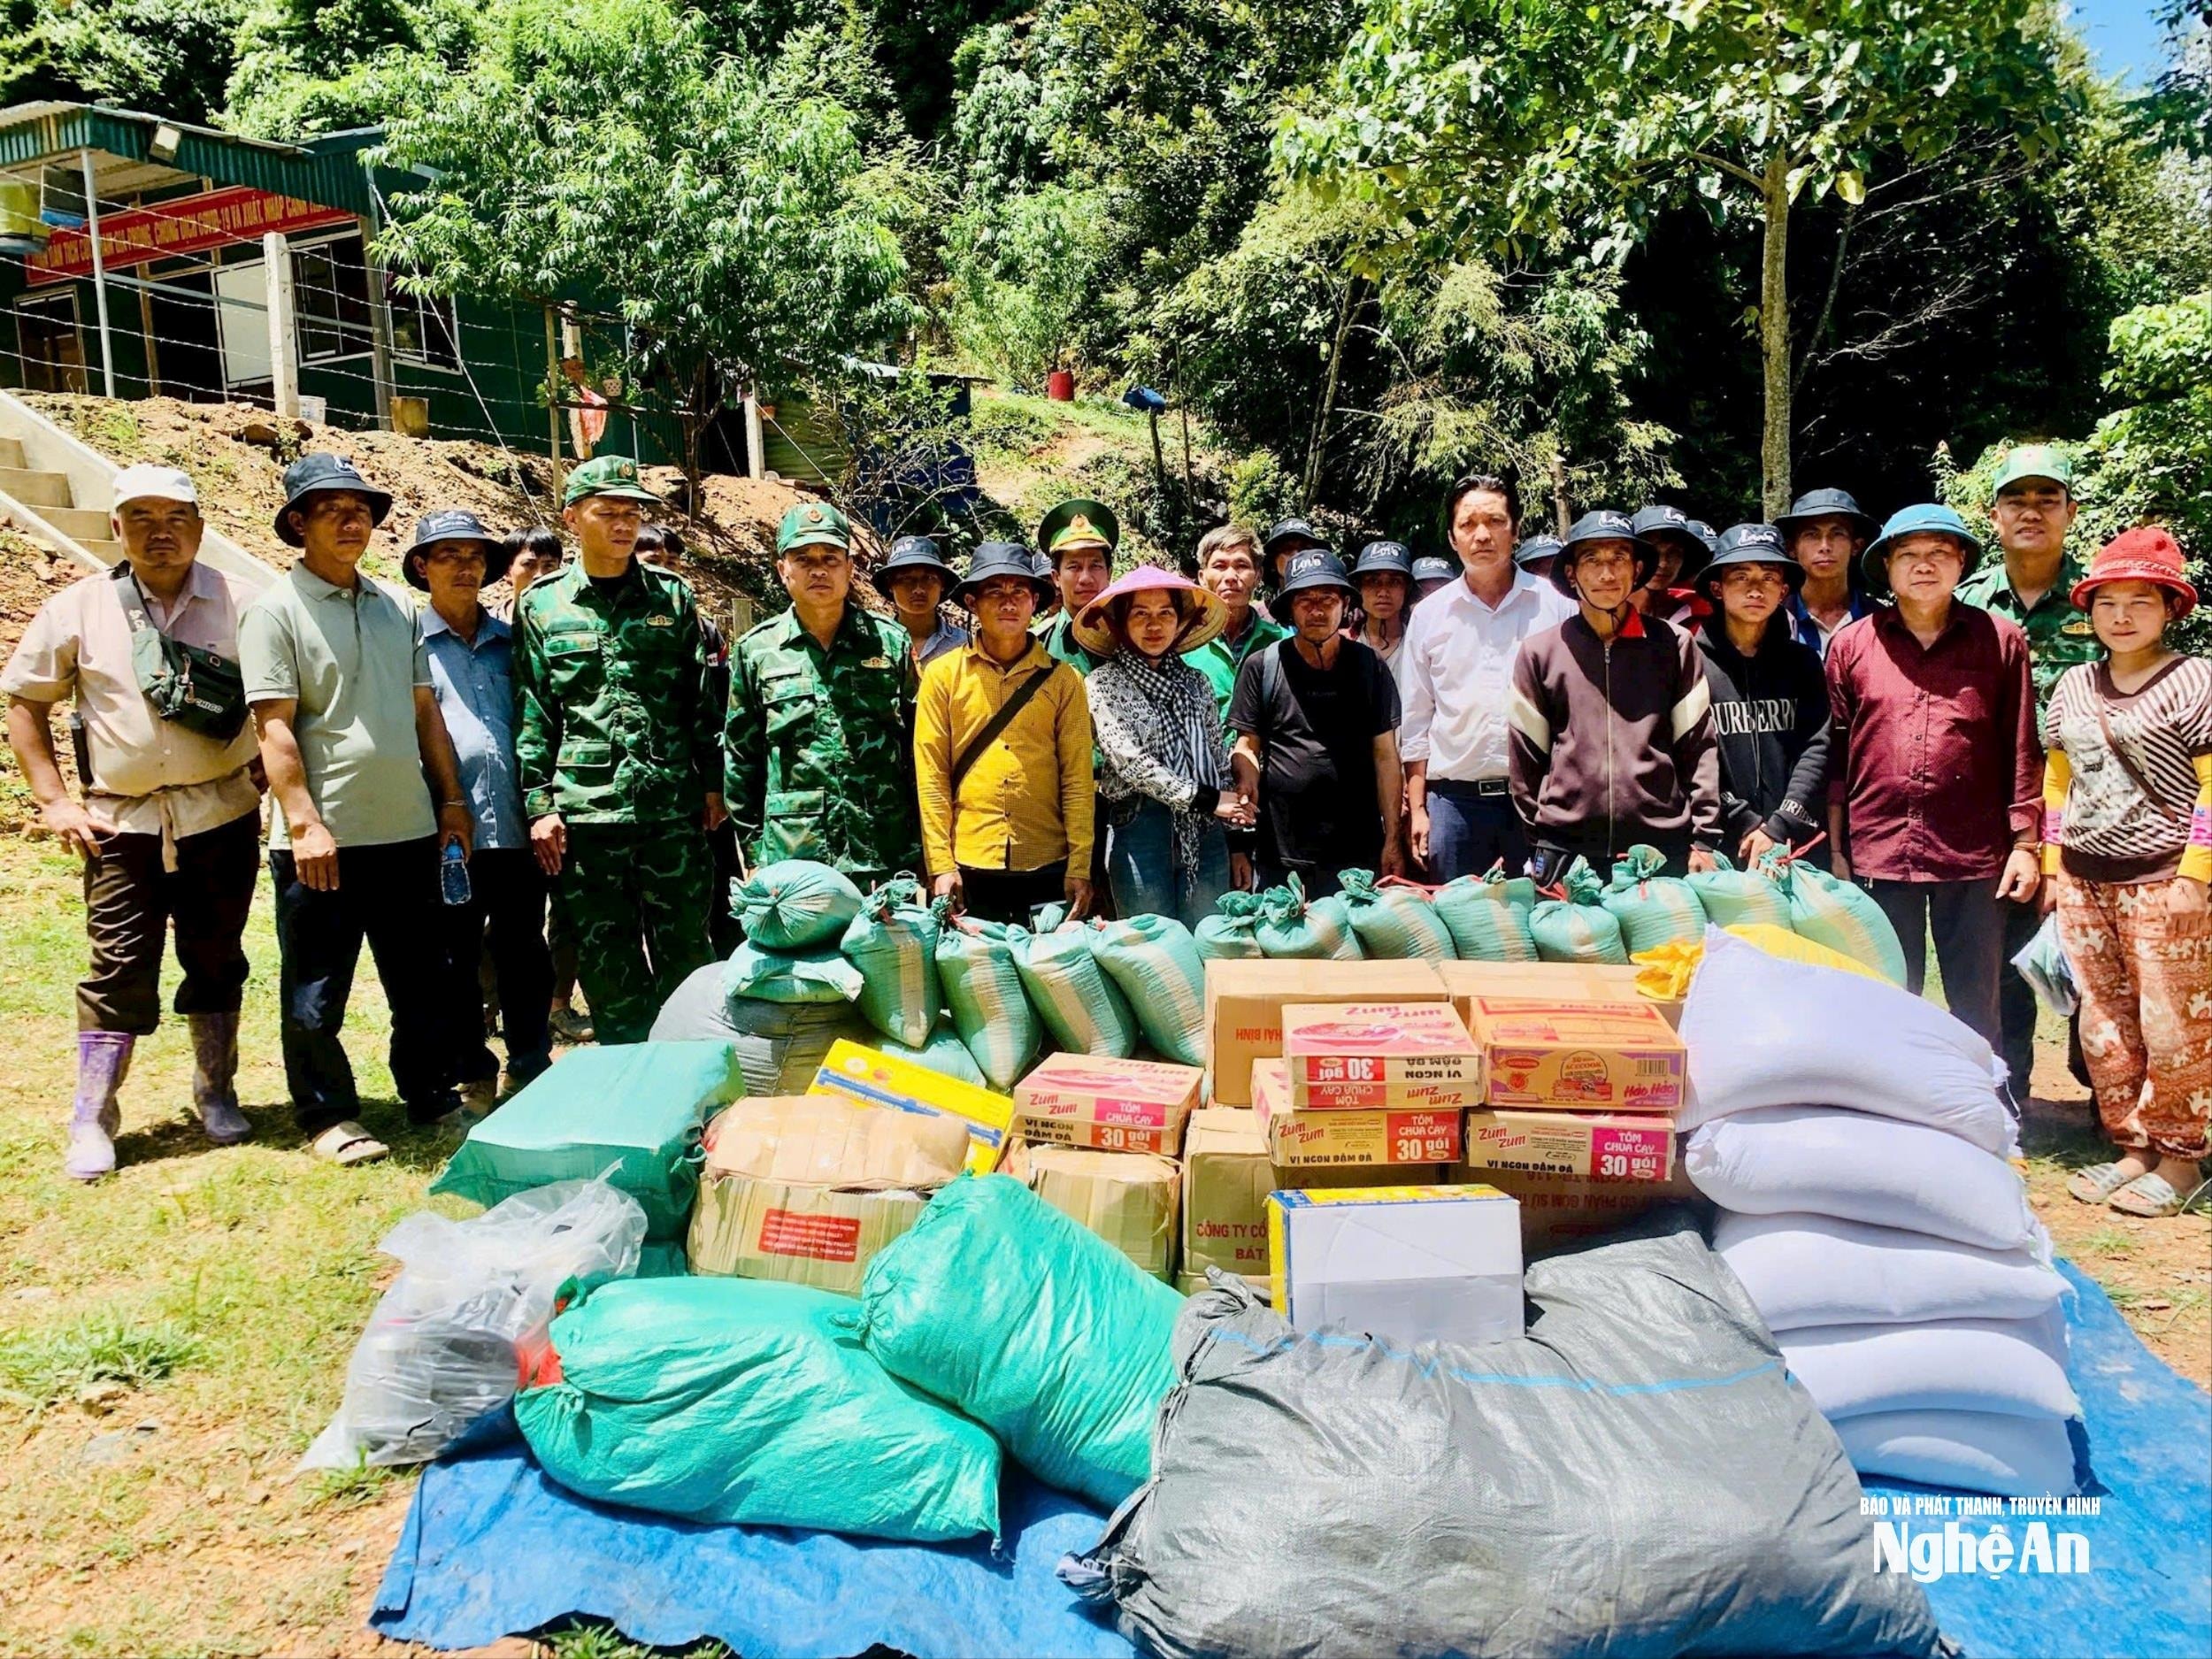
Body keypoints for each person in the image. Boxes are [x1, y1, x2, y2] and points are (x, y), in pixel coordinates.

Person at [4, 465, 263, 1179]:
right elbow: (25, 702)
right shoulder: (78, 608)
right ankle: (94, 1113)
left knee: (216, 955)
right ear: (116, 527)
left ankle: (217, 1090)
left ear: (200, 527)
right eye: (141, 516)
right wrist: (54, 800)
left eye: (176, 516)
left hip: (223, 812)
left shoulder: (245, 603)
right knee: (118, 965)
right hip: (121, 823)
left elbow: (279, 698)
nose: (160, 531)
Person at [240, 455, 473, 1164]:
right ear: (297, 523)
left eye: (362, 508)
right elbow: (273, 727)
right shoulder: (273, 609)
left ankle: (430, 1093)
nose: (352, 519)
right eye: (332, 508)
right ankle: (327, 1114)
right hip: (323, 842)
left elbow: (424, 710)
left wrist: (452, 800)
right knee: (316, 988)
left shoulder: (393, 608)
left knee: (420, 979)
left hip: (407, 830)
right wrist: (305, 823)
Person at [516, 456, 724, 1048]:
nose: (624, 525)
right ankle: (633, 1086)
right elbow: (534, 708)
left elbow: (702, 702)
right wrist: (538, 803)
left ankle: (699, 1086)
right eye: (608, 513)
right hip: (588, 818)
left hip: (671, 814)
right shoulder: (543, 605)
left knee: (689, 957)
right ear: (572, 518)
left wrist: (713, 784)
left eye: (632, 513)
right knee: (609, 965)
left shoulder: (674, 598)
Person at [1824, 503, 2040, 1059]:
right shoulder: (1853, 645)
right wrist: (1837, 848)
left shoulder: (2000, 639)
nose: (1925, 566)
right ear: (1887, 567)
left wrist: (2025, 843)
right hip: (1878, 850)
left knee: (1976, 1003)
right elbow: (1835, 754)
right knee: (1887, 996)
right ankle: (1896, 1121)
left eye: (1940, 553)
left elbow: (2021, 745)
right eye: (1910, 555)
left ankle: (1987, 1118)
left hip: (1973, 853)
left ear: (1962, 562)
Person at [2040, 528, 2209, 1219]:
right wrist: (2054, 866)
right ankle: (2132, 1145)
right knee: (2103, 1022)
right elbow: (2057, 780)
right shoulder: (2074, 683)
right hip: (2084, 877)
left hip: (2165, 874)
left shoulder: (2195, 678)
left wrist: (2197, 874)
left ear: (2169, 607)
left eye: (2141, 600)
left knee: (2175, 1022)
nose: (2121, 615)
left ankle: (2180, 1158)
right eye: (2107, 601)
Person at [1959, 443, 2101, 1094]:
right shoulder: (1966, 603)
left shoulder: (2103, 597)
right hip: (2000, 812)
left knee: (2101, 957)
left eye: (2048, 499)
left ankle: (2107, 1090)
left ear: (2071, 510)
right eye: (2017, 498)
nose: (2032, 512)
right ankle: (2007, 1092)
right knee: (2003, 959)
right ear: (1994, 515)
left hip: (2099, 809)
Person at [404, 510, 555, 1110]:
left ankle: (530, 1059)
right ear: (422, 566)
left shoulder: (512, 644)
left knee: (525, 951)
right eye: (448, 555)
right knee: (454, 958)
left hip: (517, 829)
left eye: (475, 556)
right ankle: (472, 1068)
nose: (465, 567)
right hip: (447, 833)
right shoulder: (407, 645)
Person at [1507, 510, 1724, 879]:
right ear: (1572, 573)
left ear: (1637, 570)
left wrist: (1704, 837)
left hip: (1659, 849)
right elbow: (1524, 760)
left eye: (1618, 559)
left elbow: (1698, 746)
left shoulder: (1674, 646)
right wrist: (1544, 831)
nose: (1607, 574)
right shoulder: (1540, 652)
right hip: (1566, 851)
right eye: (1592, 559)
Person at [726, 499, 921, 890]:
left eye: (831, 558)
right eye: (803, 559)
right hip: (794, 851)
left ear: (850, 569)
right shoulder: (756, 651)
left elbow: (920, 746)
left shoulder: (889, 642)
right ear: (783, 571)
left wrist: (926, 846)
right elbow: (741, 759)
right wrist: (755, 854)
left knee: (887, 953)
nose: (818, 569)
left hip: (883, 847)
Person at [1399, 474, 1575, 881]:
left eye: (1495, 522)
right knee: (1460, 929)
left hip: (1541, 800)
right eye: (1468, 524)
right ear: (1451, 537)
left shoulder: (1557, 607)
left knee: (1544, 928)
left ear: (1515, 530)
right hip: (1454, 805)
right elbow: (1417, 719)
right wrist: (1419, 808)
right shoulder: (1429, 615)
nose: (1482, 535)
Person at [915, 541, 1094, 925]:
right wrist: (940, 864)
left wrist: (1080, 864)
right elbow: (931, 777)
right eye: (994, 592)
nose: (1008, 602)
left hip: (1047, 859)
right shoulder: (942, 676)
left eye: (1019, 592)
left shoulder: (1064, 680)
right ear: (972, 603)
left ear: (1035, 602)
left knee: (1050, 976)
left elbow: (1077, 778)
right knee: (977, 979)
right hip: (970, 861)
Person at [1072, 567, 1250, 924]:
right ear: (1121, 623)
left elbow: (1216, 758)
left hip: (1206, 831)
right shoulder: (1103, 684)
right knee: (1151, 949)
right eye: (1141, 614)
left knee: (1207, 939)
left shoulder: (1196, 683)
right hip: (1140, 828)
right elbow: (1131, 763)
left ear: (1180, 622)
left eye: (1165, 614)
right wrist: (1207, 799)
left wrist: (1237, 840)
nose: (1154, 626)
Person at [1229, 549, 1407, 895]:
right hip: (1281, 853)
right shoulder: (1262, 666)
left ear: (1344, 604)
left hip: (1357, 851)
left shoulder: (1370, 667)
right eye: (1305, 600)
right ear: (1290, 609)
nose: (1317, 610)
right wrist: (1245, 777)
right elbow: (1247, 745)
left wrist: (1393, 839)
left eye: (1327, 598)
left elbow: (1386, 756)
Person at [1693, 524, 1832, 863]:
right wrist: (1742, 819)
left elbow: (1818, 746)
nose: (1756, 589)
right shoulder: (1691, 663)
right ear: (1717, 588)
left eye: (1769, 578)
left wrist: (1780, 824)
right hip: (1719, 844)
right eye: (1741, 577)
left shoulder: (1803, 663)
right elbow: (1689, 754)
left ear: (1783, 590)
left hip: (1795, 843)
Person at [634, 521, 742, 954]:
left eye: (673, 563)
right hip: (653, 787)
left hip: (705, 780)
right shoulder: (623, 626)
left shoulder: (705, 629)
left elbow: (719, 704)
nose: (667, 572)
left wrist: (717, 781)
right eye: (653, 562)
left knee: (722, 885)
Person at [1775, 488, 1879, 657]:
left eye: (1837, 534)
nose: (1825, 546)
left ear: (1856, 546)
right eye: (1812, 535)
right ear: (1791, 548)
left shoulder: (1880, 621)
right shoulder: (1772, 621)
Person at [1033, 499, 1116, 674]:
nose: (1086, 578)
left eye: (1095, 566)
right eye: (1074, 567)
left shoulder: (1134, 634)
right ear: (1056, 577)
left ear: (1109, 573)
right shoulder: (1037, 645)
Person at [872, 535, 969, 666]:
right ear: (891, 585)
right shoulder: (875, 642)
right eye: (906, 579)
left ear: (942, 585)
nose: (918, 590)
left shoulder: (964, 645)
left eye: (929, 578)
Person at [1630, 503, 1712, 629]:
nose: (1663, 563)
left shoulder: (1700, 617)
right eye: (1653, 552)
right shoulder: (1601, 613)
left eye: (1674, 553)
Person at [1347, 541, 1415, 667]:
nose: (1383, 593)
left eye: (1394, 582)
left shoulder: (1421, 643)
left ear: (1407, 589)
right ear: (1359, 589)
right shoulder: (1340, 644)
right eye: (1373, 581)